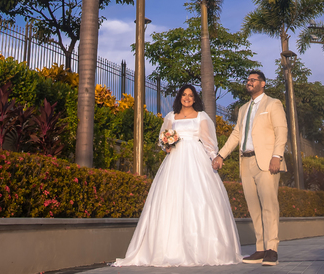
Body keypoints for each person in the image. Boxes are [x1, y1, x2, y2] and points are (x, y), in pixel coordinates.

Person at [113, 85, 242, 267]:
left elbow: (209, 142)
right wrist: (166, 145)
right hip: (175, 160)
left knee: (199, 200)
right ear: (179, 97)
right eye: (184, 95)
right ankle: (169, 248)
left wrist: (214, 158)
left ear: (195, 98)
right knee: (171, 199)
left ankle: (204, 248)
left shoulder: (202, 117)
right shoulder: (171, 117)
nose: (187, 98)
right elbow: (163, 138)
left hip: (196, 159)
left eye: (190, 95)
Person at [213, 70, 287, 266]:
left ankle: (272, 249)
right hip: (246, 162)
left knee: (269, 205)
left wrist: (277, 156)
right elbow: (237, 134)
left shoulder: (273, 104)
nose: (249, 82)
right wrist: (221, 155)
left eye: (253, 80)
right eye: (248, 80)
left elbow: (281, 131)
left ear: (263, 84)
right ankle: (261, 248)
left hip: (266, 162)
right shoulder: (244, 109)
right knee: (254, 207)